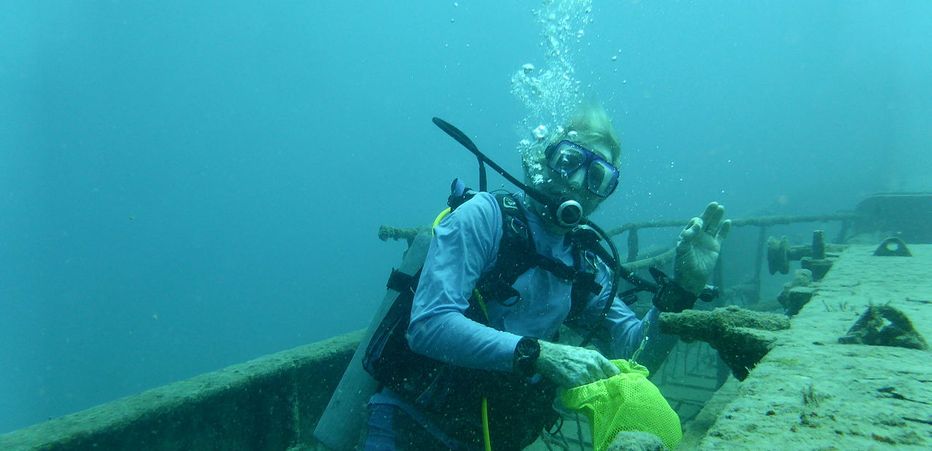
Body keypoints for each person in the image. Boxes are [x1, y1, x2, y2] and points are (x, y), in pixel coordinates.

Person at [363, 104, 730, 450]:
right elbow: (429, 325)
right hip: (411, 425)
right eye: (570, 161)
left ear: (603, 195)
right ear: (541, 160)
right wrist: (539, 352)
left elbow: (635, 353)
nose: (580, 182)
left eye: (599, 177)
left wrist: (683, 289)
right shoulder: (484, 218)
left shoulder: (583, 261)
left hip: (493, 436)